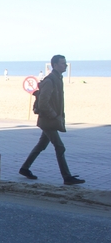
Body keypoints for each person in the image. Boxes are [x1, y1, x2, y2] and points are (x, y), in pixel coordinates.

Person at [19, 55, 84, 185]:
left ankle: (25, 168)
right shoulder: (50, 81)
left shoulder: (58, 79)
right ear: (54, 65)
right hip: (48, 121)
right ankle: (67, 177)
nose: (65, 65)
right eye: (62, 63)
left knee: (41, 145)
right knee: (60, 147)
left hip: (50, 120)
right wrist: (54, 115)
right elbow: (43, 103)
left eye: (65, 63)